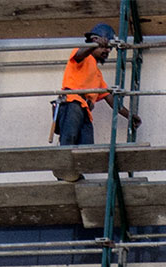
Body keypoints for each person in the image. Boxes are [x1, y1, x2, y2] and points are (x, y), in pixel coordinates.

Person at [54, 23, 141, 180]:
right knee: (70, 137)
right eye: (105, 47)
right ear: (94, 42)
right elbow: (79, 54)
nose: (107, 51)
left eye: (109, 48)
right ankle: (63, 168)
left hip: (85, 110)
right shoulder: (81, 56)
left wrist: (129, 116)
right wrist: (93, 45)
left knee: (87, 148)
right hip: (72, 102)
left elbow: (112, 100)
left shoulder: (98, 76)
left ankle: (73, 174)